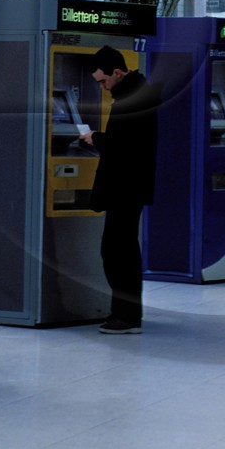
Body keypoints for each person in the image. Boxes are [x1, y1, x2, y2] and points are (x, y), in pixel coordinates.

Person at [79, 45, 161, 334]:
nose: (103, 88)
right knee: (121, 250)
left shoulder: (132, 100)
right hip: (131, 185)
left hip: (126, 186)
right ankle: (125, 314)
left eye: (103, 81)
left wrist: (95, 138)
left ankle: (126, 317)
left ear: (117, 72)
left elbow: (123, 146)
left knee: (118, 251)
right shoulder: (139, 93)